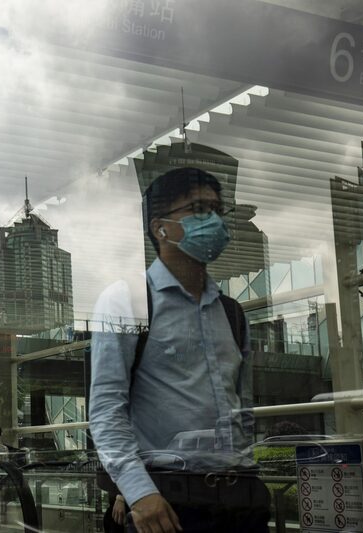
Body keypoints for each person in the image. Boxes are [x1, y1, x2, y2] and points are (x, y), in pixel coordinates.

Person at [89, 167, 270, 533]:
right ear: (161, 228)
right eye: (199, 209)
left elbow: (243, 408)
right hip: (166, 505)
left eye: (219, 210)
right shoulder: (128, 301)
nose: (215, 221)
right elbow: (106, 410)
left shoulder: (232, 313)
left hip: (240, 501)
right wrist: (138, 494)